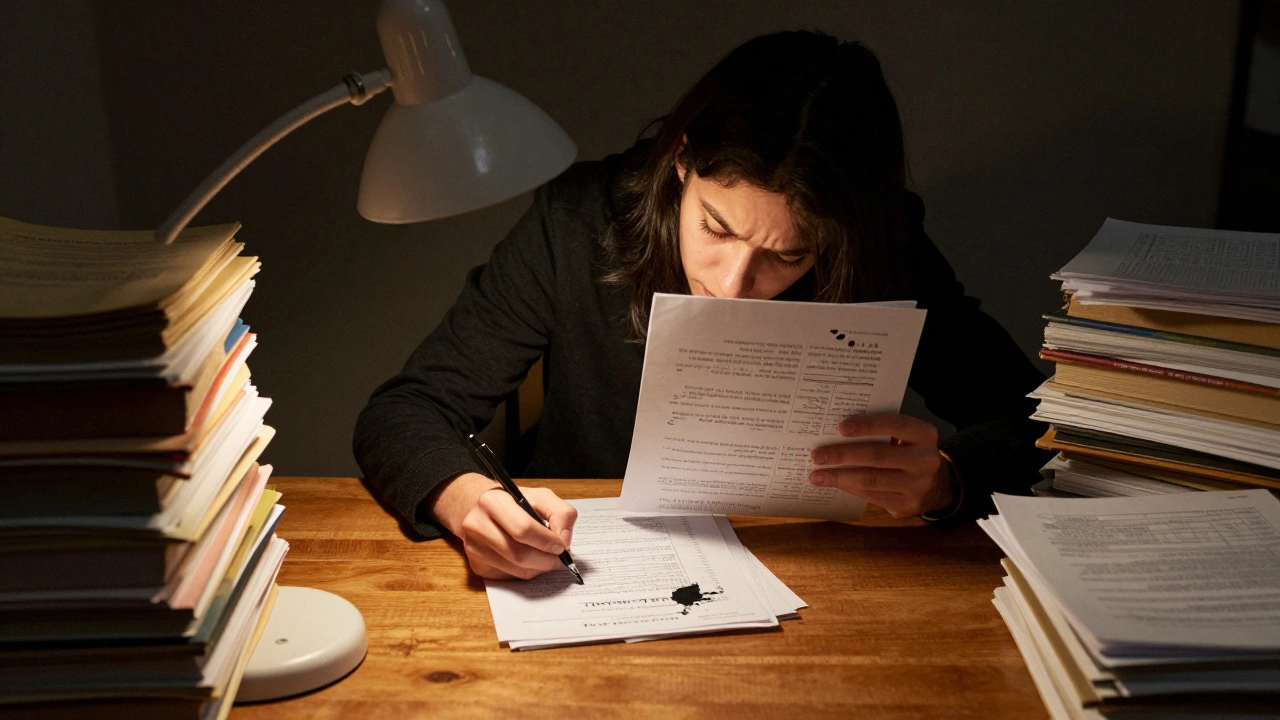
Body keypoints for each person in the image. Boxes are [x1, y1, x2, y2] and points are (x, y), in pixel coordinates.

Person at [354, 30, 1050, 581]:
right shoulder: (579, 223)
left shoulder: (884, 244)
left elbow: (1042, 424)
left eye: (790, 255)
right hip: (594, 574)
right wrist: (466, 500)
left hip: (828, 578)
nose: (736, 281)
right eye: (716, 228)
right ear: (681, 159)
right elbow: (404, 412)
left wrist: (948, 480)